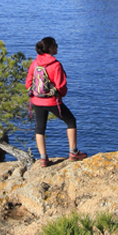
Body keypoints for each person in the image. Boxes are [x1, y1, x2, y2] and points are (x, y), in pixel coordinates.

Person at [27, 37, 85, 167]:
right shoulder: (56, 65)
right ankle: (73, 152)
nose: (57, 47)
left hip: (37, 101)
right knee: (71, 121)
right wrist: (60, 94)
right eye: (56, 45)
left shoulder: (35, 63)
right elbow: (61, 87)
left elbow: (28, 83)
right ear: (51, 48)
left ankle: (43, 159)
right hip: (52, 101)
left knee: (40, 128)